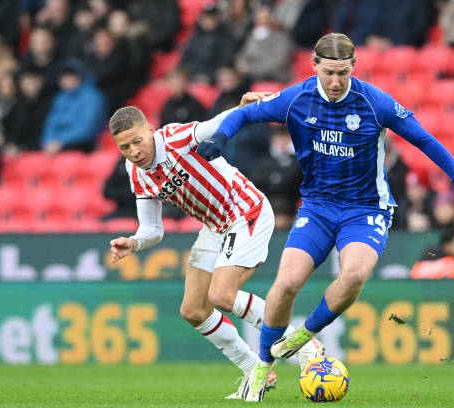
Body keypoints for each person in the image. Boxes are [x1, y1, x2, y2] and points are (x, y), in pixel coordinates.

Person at [197, 32, 454, 401]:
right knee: (287, 283)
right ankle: (262, 368)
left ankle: (302, 336)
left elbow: (424, 139)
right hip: (317, 207)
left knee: (355, 272)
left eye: (343, 72)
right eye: (329, 72)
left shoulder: (374, 102)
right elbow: (246, 112)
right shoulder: (298, 98)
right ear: (315, 66)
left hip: (366, 209)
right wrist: (221, 137)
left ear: (354, 67)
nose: (336, 81)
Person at [106, 93, 323, 400]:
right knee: (194, 310)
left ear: (150, 129)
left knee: (222, 295)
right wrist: (134, 241)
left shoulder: (175, 137)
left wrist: (243, 109)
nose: (134, 151)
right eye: (124, 147)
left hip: (245, 209)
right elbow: (153, 230)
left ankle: (303, 342)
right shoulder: (136, 175)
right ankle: (255, 372)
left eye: (137, 141)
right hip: (216, 225)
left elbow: (214, 125)